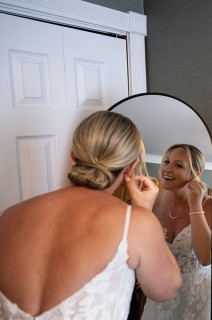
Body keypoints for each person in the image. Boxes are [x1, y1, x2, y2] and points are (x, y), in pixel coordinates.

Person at [0, 111, 182, 319]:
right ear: (130, 168)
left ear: (73, 156)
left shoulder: (7, 216)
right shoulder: (136, 223)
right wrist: (145, 212)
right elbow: (167, 289)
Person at [149, 144, 212, 320]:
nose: (167, 169)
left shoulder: (209, 206)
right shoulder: (154, 203)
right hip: (159, 297)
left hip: (195, 300)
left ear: (195, 174)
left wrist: (195, 205)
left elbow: (205, 258)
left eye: (178, 165)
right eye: (166, 162)